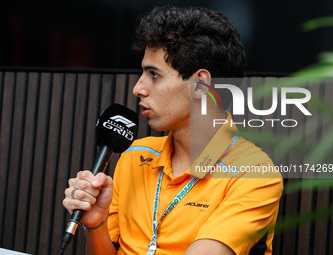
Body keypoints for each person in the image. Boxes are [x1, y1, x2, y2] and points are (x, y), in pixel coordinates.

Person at [63, 6, 283, 255]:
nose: (138, 88)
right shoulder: (134, 154)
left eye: (154, 75)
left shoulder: (254, 172)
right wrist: (96, 223)